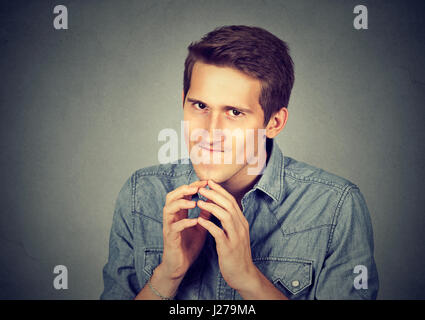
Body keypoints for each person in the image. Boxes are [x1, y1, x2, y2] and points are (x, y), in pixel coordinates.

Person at [100, 25, 379, 300]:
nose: (209, 133)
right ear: (183, 101)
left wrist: (249, 280)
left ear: (274, 122)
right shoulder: (141, 193)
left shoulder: (336, 206)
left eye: (234, 112)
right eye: (200, 106)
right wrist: (168, 275)